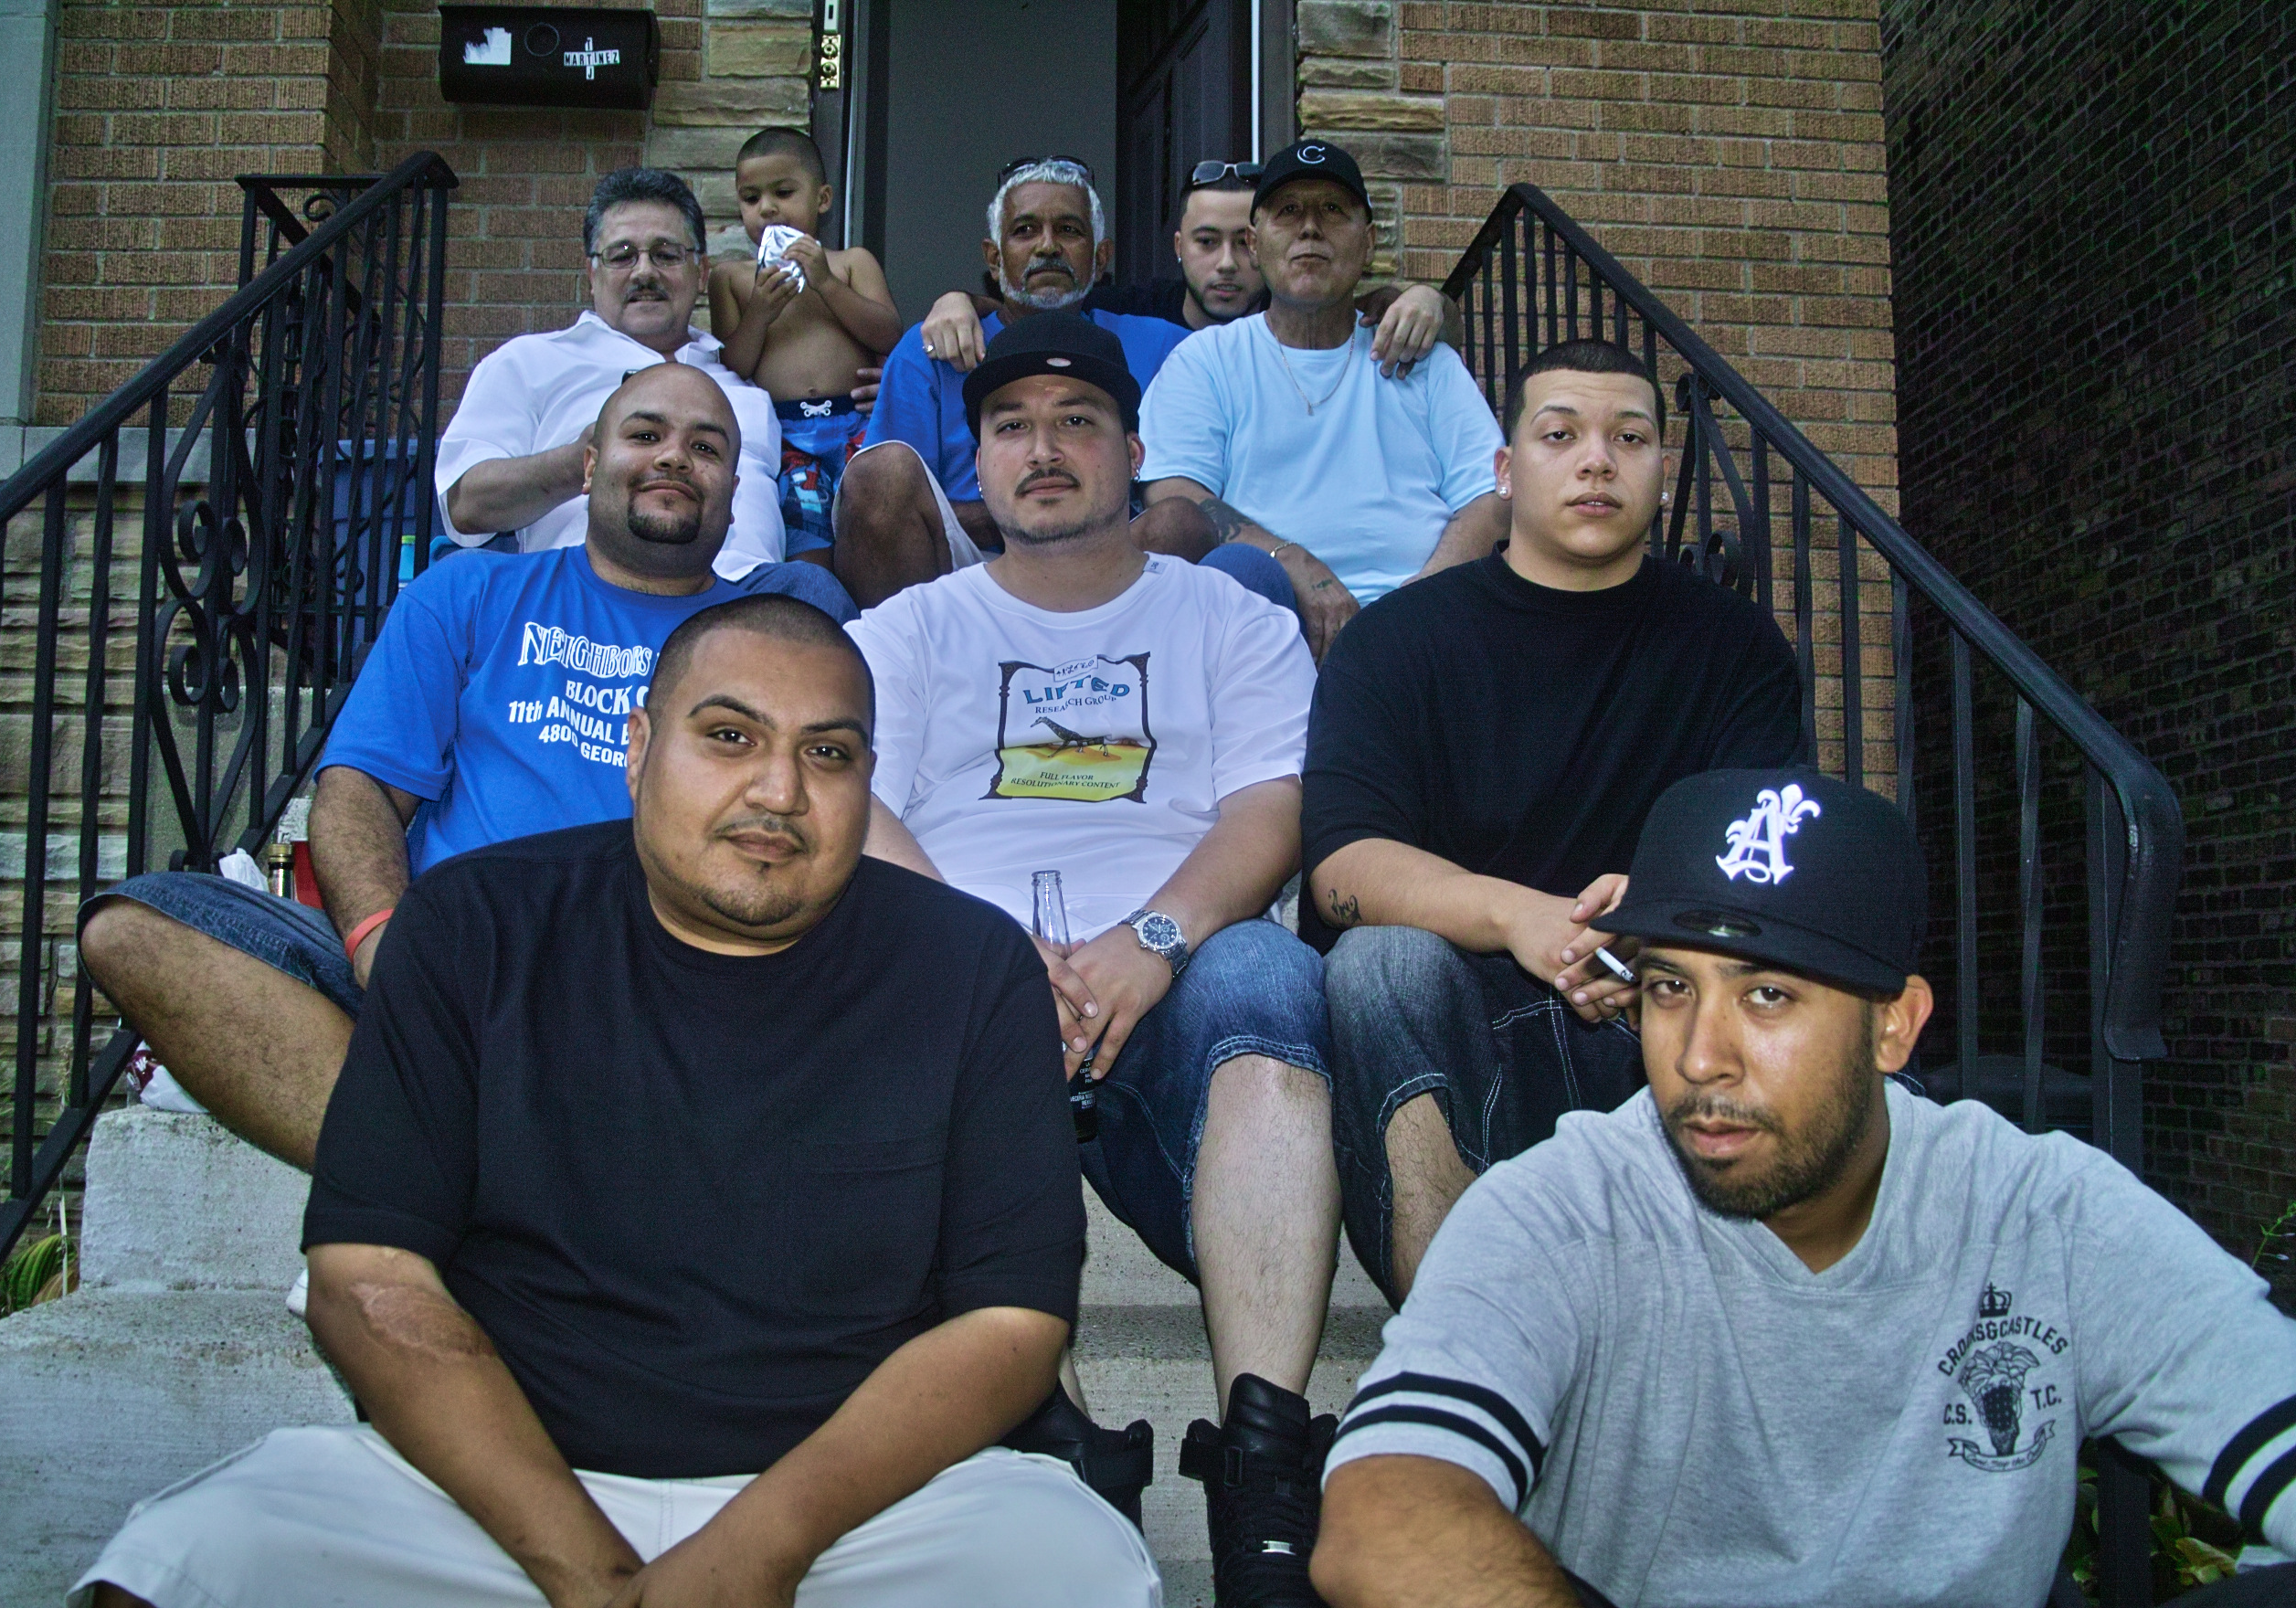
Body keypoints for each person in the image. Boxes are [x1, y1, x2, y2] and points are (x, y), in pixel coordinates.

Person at [72, 594, 1160, 1608]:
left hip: (860, 1504)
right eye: (729, 736)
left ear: (867, 781)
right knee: (200, 1554)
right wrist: (591, 1576)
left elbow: (1012, 1322)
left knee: (1076, 1565)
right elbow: (370, 1277)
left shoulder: (969, 965)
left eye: (826, 753)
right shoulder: (474, 925)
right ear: (638, 748)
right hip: (499, 1487)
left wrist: (763, 1545)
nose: (779, 790)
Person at [1309, 767, 2296, 1608]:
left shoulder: (2037, 1211)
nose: (1700, 1056)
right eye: (1670, 987)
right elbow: (1384, 1517)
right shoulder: (1564, 1210)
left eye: (1768, 994)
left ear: (1893, 1025)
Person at [852, 314, 1342, 1608]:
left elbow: (1271, 808)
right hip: (968, 975)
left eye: (1078, 422)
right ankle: (1053, 1431)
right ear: (977, 464)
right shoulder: (906, 630)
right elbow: (856, 807)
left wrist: (1153, 942)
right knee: (891, 997)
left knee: (1272, 978)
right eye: (1012, 426)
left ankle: (1264, 1465)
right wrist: (980, 953)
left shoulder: (1229, 617)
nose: (1044, 449)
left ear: (1132, 451)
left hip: (1177, 981)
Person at [76, 365, 841, 1172]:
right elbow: (359, 790)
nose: (675, 456)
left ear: (735, 494)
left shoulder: (769, 637)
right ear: (589, 466)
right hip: (452, 973)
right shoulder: (470, 592)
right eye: (645, 434)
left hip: (654, 986)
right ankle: (480, 1173)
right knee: (134, 929)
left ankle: (442, 1177)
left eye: (707, 448)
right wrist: (384, 947)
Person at [1305, 338, 1801, 1305]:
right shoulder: (1398, 641)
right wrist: (1521, 917)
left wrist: (1665, 915)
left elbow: (1768, 846)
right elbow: (1341, 867)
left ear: (1663, 469)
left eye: (1630, 438)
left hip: (1662, 1015)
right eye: (1561, 434)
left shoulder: (1733, 644)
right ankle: (1457, 1347)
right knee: (1378, 961)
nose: (1597, 461)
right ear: (1505, 469)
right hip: (1461, 1027)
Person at [1135, 140, 1509, 658]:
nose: (1310, 228)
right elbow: (1174, 492)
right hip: (1266, 619)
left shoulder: (1424, 360)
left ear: (1369, 241)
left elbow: (1492, 496)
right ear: (1254, 243)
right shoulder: (1206, 360)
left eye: (1333, 210)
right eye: (1288, 211)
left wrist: (1416, 606)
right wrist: (1290, 560)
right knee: (1235, 572)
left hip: (1422, 626)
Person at [434, 166, 841, 612]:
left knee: (816, 593)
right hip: (593, 599)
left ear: (701, 272)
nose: (644, 271)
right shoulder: (531, 361)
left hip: (744, 602)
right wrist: (584, 458)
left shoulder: (743, 376)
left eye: (666, 254)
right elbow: (465, 504)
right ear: (591, 274)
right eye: (621, 256)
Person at [831, 158, 1193, 608]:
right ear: (993, 257)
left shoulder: (1165, 346)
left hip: (1111, 561)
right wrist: (1036, 515)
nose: (1048, 246)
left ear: (1101, 258)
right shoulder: (931, 349)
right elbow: (889, 506)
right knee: (878, 475)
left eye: (1069, 230)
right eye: (1025, 230)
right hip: (967, 569)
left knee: (1177, 522)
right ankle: (900, 651)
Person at [914, 159, 1450, 363]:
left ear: (1264, 245)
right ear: (1177, 247)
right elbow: (1041, 299)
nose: (1226, 263)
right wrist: (956, 301)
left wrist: (1427, 298)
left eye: (1243, 243)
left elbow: (1411, 319)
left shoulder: (1301, 312)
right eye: (1206, 241)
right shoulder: (1134, 314)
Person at [710, 127, 903, 562]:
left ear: (823, 199)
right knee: (806, 543)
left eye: (783, 192)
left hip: (857, 424)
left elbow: (888, 333)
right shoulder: (731, 279)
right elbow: (734, 367)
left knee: (872, 534)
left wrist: (827, 284)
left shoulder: (851, 263)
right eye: (751, 198)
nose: (767, 208)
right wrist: (759, 312)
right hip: (787, 436)